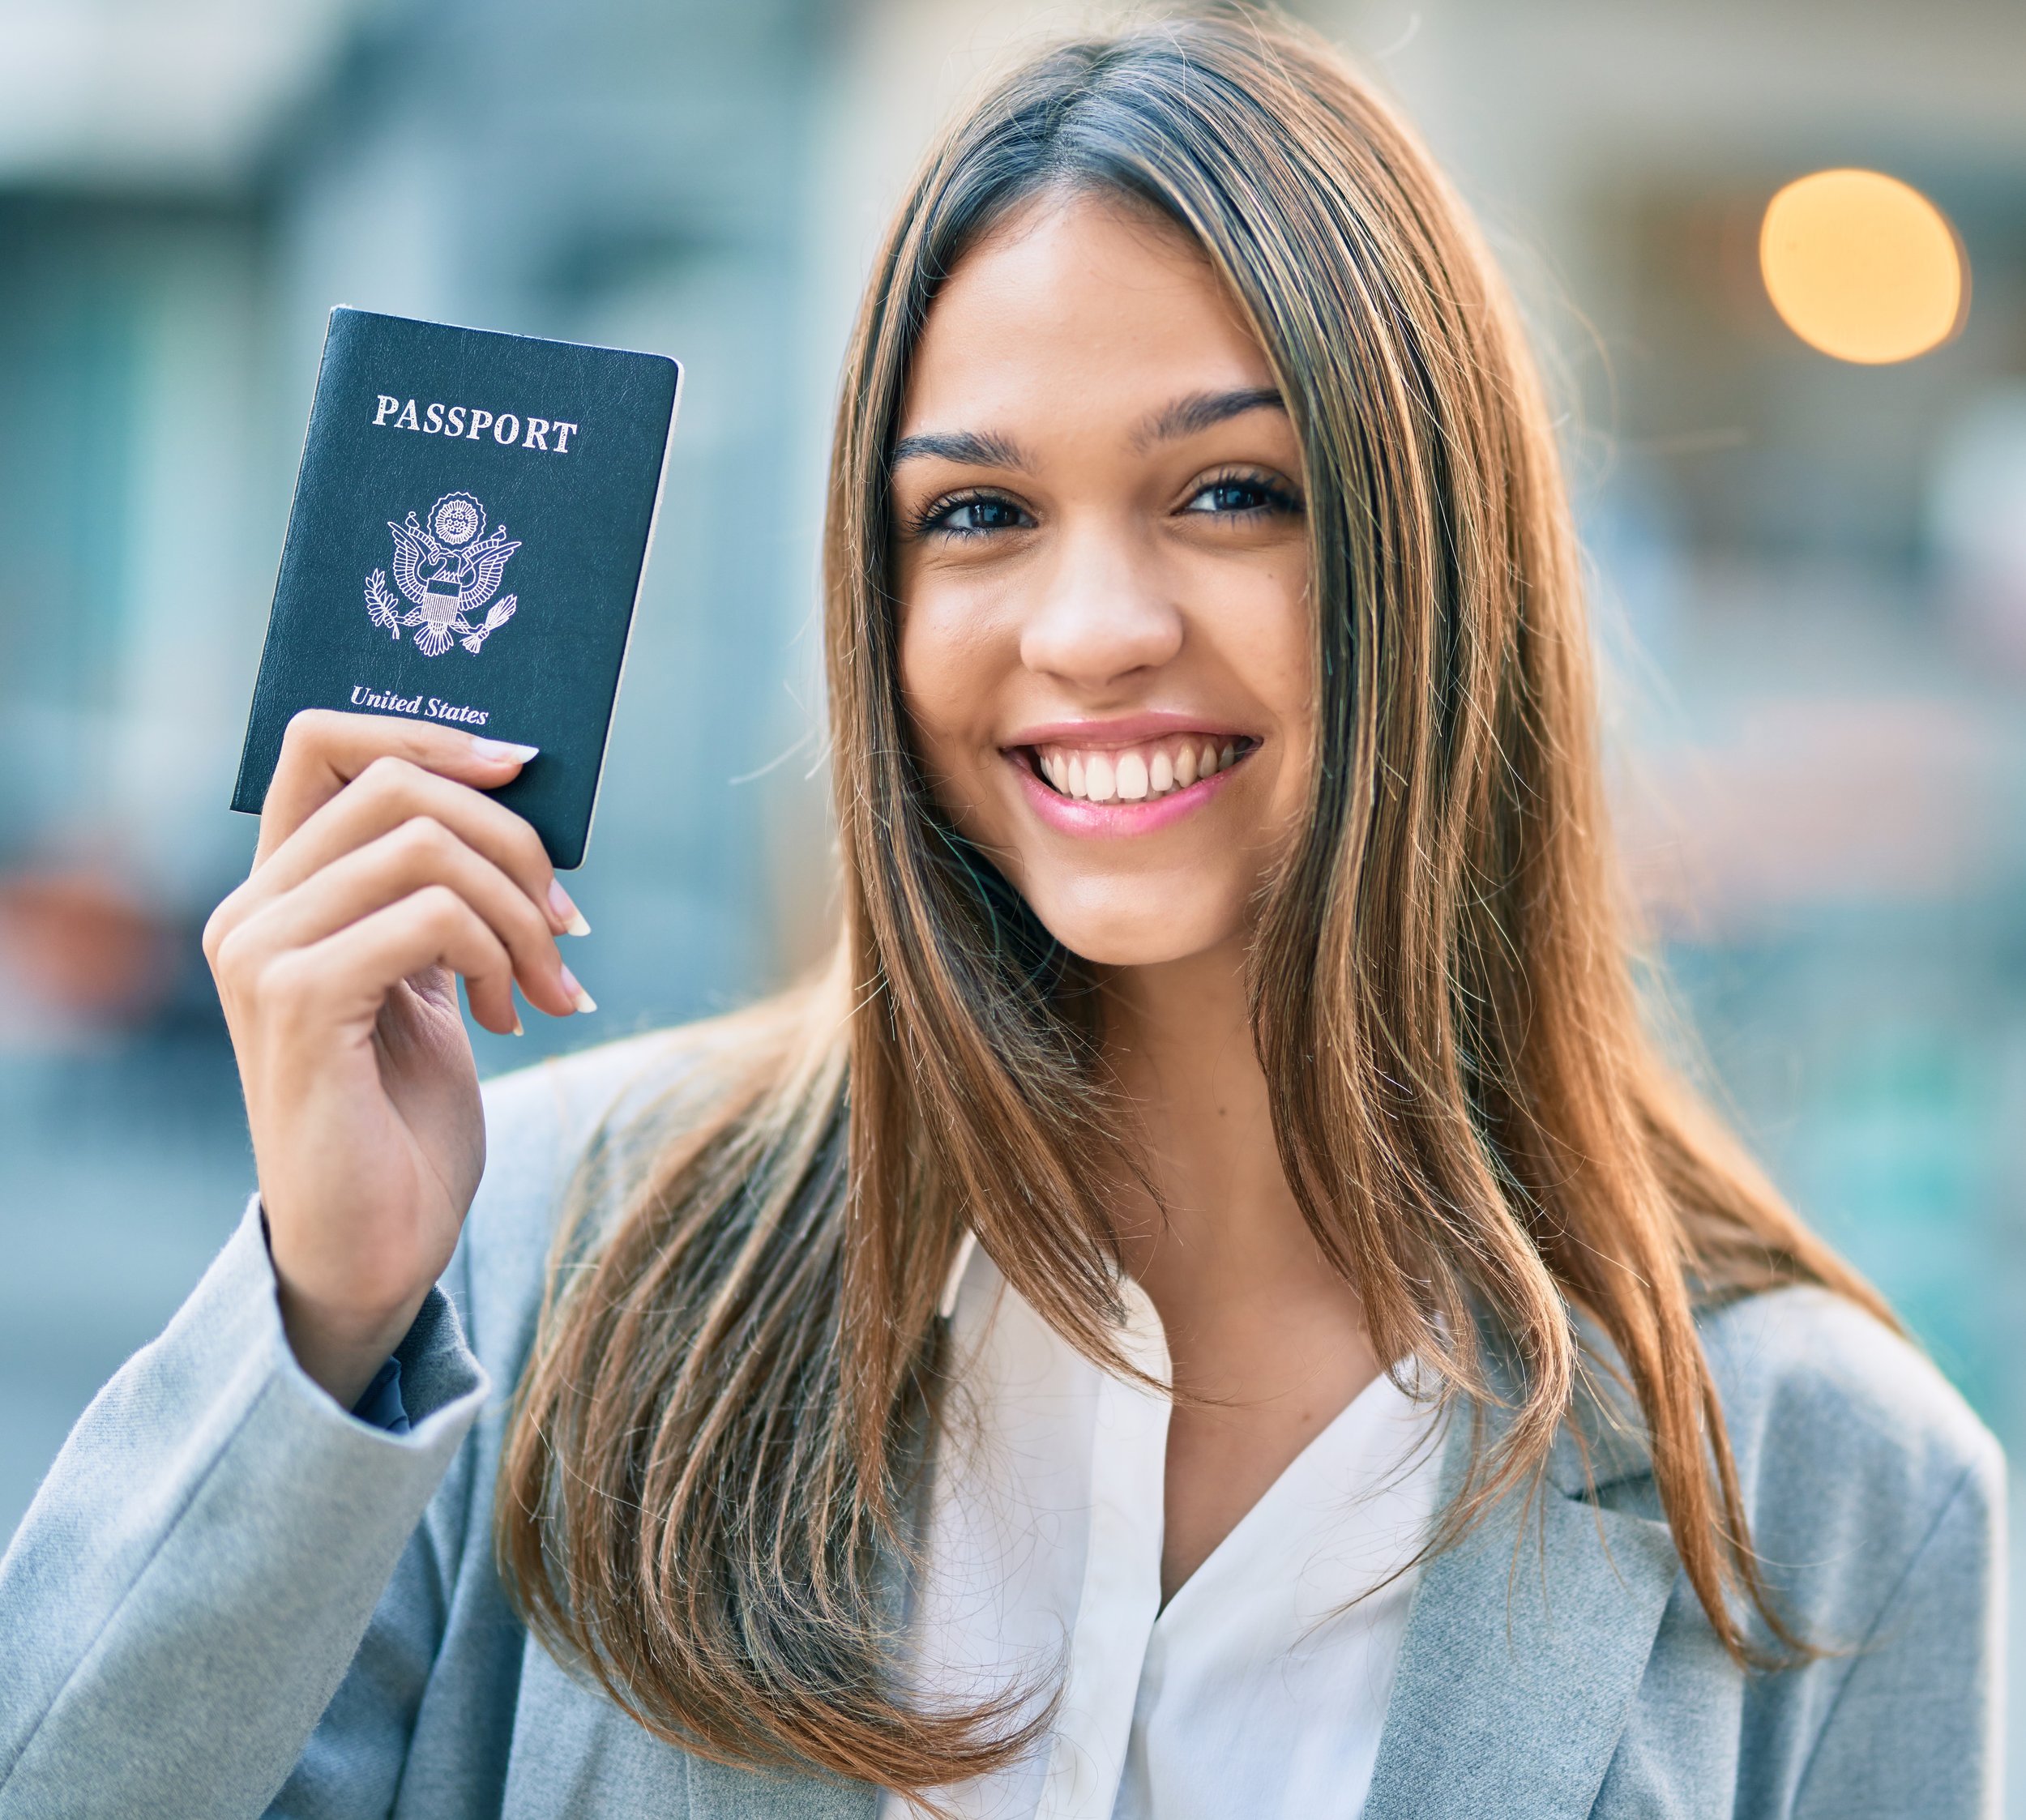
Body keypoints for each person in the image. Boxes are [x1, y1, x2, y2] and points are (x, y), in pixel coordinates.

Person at [0, 11, 2002, 1818]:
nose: (1092, 629)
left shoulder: (1837, 1494)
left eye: (1230, 492)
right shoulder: (528, 1256)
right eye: (974, 515)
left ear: (1437, 552)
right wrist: (326, 1316)